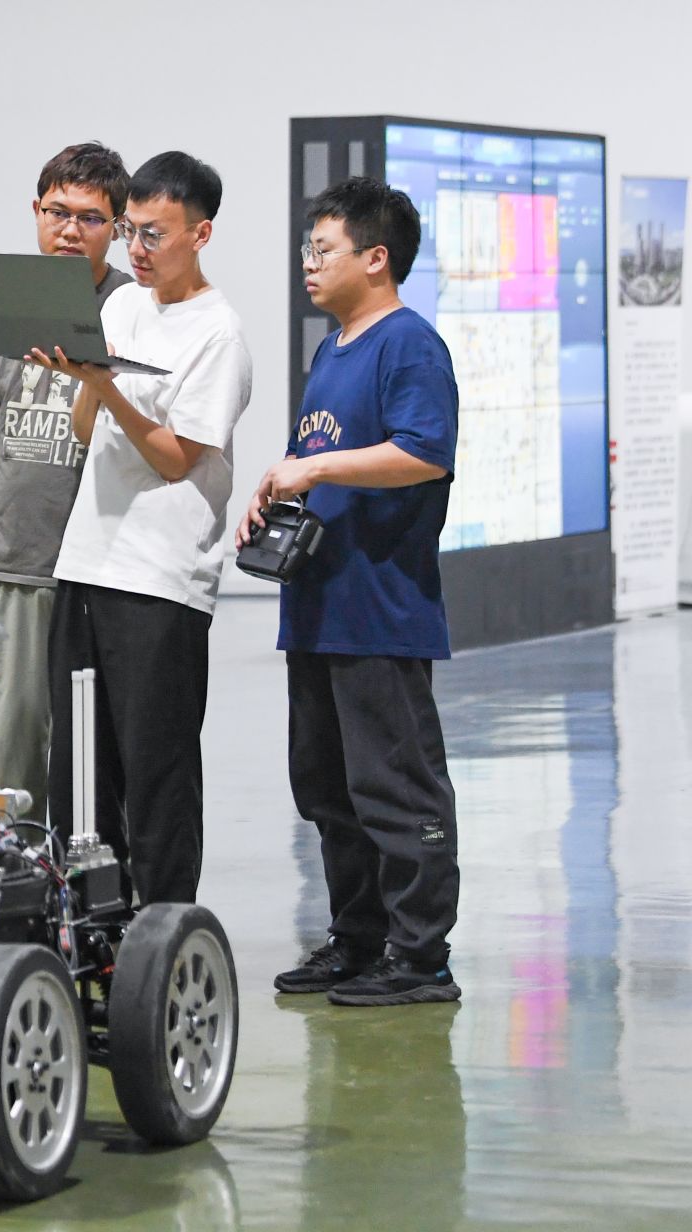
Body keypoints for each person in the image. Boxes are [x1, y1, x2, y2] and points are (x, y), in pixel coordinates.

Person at [239, 177, 461, 1006]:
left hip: (381, 610)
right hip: (318, 606)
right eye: (308, 248)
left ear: (376, 258)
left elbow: (424, 453)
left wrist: (319, 466)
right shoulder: (333, 351)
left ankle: (420, 957)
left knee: (396, 789)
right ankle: (358, 938)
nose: (308, 262)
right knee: (329, 791)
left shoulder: (409, 345)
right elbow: (319, 459)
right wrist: (277, 489)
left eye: (323, 248)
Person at [34, 151, 253, 905]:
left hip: (159, 581)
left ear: (201, 233)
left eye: (154, 234)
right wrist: (83, 381)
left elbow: (173, 459)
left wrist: (108, 386)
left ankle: (164, 929)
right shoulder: (123, 306)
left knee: (156, 769)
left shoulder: (219, 335)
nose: (137, 249)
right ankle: (88, 924)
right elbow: (83, 427)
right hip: (86, 563)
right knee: (79, 770)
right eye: (130, 231)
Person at [0, 141, 133, 820]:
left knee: (95, 755)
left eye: (90, 217)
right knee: (6, 749)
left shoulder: (133, 312)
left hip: (101, 571)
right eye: (57, 212)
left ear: (117, 228)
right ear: (36, 211)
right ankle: (14, 878)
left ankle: (90, 880)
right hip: (9, 565)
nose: (69, 229)